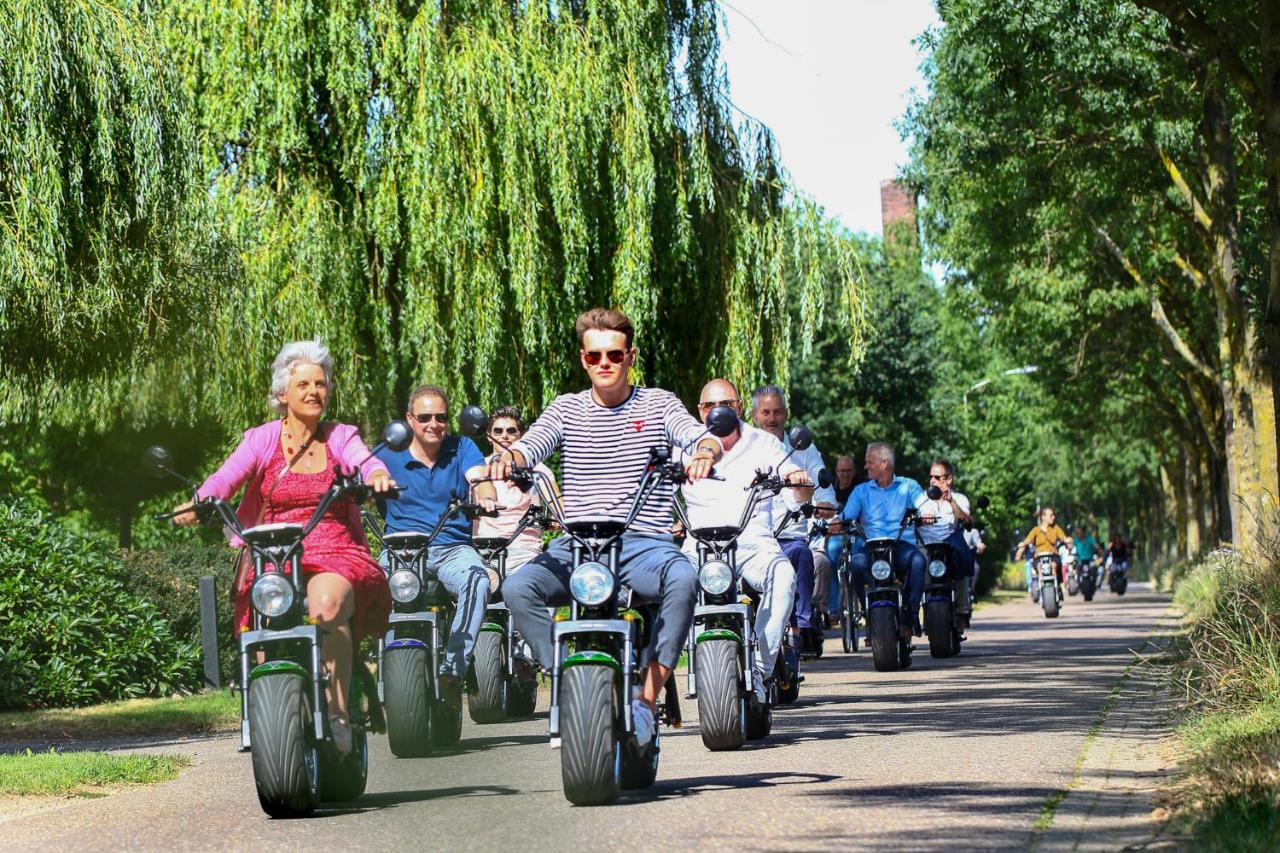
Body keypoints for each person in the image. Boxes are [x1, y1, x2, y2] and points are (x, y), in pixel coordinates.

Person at [486, 307, 722, 749]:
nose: (604, 364)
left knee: (684, 578)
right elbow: (531, 445)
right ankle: (566, 682)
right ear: (583, 360)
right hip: (576, 543)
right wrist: (509, 460)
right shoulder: (566, 408)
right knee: (518, 588)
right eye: (594, 357)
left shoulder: (659, 404)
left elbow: (698, 436)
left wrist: (706, 452)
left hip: (641, 543)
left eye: (614, 354)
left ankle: (646, 703)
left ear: (630, 356)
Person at [172, 340, 396, 753]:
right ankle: (267, 709)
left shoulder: (340, 436)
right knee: (265, 615)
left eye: (321, 383)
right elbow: (225, 479)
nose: (314, 391)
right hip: (274, 552)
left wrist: (377, 473)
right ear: (282, 394)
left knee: (327, 603)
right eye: (304, 384)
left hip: (334, 547)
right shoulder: (261, 439)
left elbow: (363, 460)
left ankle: (338, 711)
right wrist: (199, 502)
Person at [681, 379, 810, 700]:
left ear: (739, 407)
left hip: (752, 542)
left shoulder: (764, 443)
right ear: (699, 411)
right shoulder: (684, 443)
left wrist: (798, 480)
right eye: (709, 406)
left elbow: (798, 488)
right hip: (697, 546)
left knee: (784, 576)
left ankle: (762, 667)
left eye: (725, 404)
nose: (717, 411)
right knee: (667, 581)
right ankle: (659, 673)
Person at [376, 384, 498, 716]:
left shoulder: (462, 447)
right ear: (409, 419)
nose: (434, 424)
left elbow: (478, 477)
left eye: (441, 417)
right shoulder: (387, 453)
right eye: (425, 417)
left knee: (478, 581)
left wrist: (486, 495)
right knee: (363, 587)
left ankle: (452, 670)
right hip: (401, 551)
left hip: (452, 548)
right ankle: (365, 672)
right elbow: (362, 476)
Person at [750, 385, 837, 656]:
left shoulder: (804, 450)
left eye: (777, 412)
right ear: (754, 416)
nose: (772, 418)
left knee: (802, 555)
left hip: (789, 536)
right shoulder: (744, 448)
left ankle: (796, 633)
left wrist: (824, 503)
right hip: (750, 538)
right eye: (766, 412)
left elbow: (825, 490)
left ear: (786, 414)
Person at [832, 441, 929, 640]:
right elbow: (848, 515)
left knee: (919, 562)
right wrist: (836, 522)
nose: (866, 466)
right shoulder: (861, 491)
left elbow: (924, 504)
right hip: (872, 547)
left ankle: (910, 617)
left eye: (870, 462)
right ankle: (871, 611)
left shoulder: (908, 486)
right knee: (856, 565)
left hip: (900, 545)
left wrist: (927, 512)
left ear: (884, 464)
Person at [468, 405, 559, 575]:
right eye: (498, 431)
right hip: (484, 549)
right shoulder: (476, 467)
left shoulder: (538, 469)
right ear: (488, 436)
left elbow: (558, 505)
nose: (504, 436)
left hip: (524, 550)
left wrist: (556, 519)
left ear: (521, 436)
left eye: (511, 431)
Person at [916, 459, 976, 628]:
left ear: (948, 479)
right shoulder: (921, 499)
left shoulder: (959, 499)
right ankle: (911, 613)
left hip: (948, 546)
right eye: (931, 477)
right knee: (914, 567)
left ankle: (962, 610)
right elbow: (909, 517)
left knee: (962, 564)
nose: (932, 481)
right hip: (925, 546)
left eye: (936, 477)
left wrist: (951, 501)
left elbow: (966, 519)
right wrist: (920, 520)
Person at [1019, 507, 1073, 586]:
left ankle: (1056, 586)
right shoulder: (1036, 530)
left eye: (1053, 515)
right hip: (1039, 557)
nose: (1053, 517)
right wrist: (1023, 544)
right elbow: (1028, 540)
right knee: (1038, 566)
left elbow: (1063, 538)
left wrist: (1068, 540)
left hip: (1053, 555)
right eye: (1051, 515)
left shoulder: (1056, 528)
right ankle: (1040, 585)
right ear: (1043, 517)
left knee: (1054, 565)